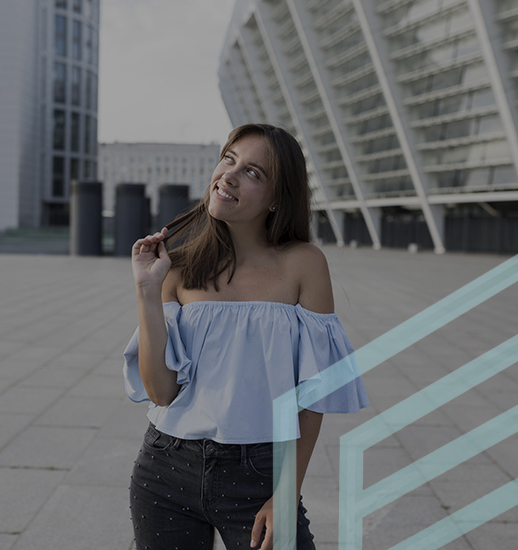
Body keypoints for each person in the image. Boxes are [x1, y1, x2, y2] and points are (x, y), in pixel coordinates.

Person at [123, 123, 369, 550]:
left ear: (278, 199)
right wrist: (146, 290)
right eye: (229, 159)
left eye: (253, 173)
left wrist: (286, 493)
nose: (230, 176)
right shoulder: (177, 269)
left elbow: (312, 395)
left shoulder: (303, 265)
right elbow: (161, 393)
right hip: (165, 469)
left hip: (259, 471)